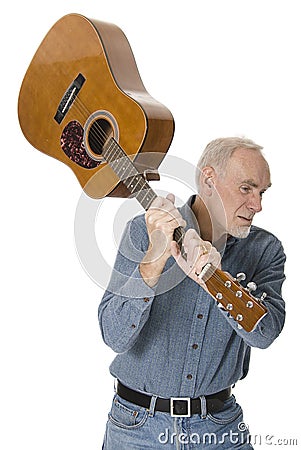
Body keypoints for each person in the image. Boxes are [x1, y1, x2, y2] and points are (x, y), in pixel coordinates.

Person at [98, 137, 286, 449]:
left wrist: (216, 281)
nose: (258, 205)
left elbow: (265, 334)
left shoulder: (265, 250)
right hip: (136, 429)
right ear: (208, 179)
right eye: (247, 188)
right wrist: (152, 263)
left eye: (261, 192)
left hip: (218, 430)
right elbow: (113, 336)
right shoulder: (142, 230)